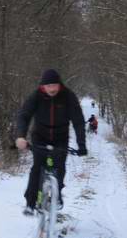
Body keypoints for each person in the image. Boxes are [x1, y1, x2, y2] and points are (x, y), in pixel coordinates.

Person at [16, 69, 87, 216]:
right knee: (37, 168)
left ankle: (57, 194)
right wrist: (20, 136)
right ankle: (30, 203)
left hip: (60, 138)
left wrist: (81, 145)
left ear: (59, 84)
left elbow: (78, 121)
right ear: (43, 86)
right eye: (49, 86)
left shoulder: (68, 96)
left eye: (55, 85)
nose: (52, 89)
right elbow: (24, 116)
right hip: (40, 136)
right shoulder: (36, 96)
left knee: (59, 167)